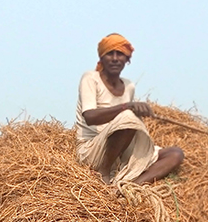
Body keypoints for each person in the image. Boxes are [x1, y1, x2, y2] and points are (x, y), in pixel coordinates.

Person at [75, 33, 184, 186]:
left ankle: (132, 186)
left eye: (120, 54)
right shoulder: (90, 79)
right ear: (101, 58)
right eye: (109, 53)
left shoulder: (128, 86)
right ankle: (103, 172)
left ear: (127, 59)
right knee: (128, 116)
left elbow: (125, 124)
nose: (114, 58)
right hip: (93, 149)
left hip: (120, 150)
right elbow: (90, 117)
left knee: (175, 154)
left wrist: (138, 111)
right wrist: (127, 107)